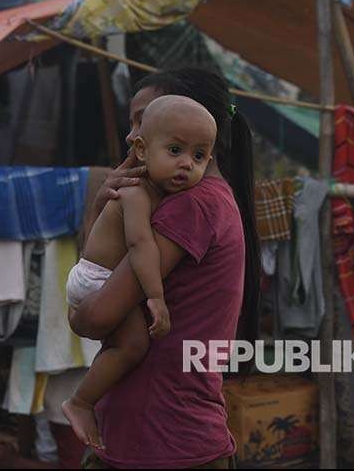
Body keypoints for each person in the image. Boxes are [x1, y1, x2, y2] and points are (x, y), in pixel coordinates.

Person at [69, 67, 261, 468]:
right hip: (153, 438)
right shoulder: (201, 200)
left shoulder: (192, 206)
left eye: (143, 118)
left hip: (161, 442)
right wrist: (103, 211)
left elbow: (96, 317)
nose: (130, 137)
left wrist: (74, 308)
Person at [62, 95, 218, 449]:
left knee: (123, 344)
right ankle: (80, 402)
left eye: (198, 156)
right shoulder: (135, 193)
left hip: (96, 274)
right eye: (175, 150)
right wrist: (156, 298)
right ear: (143, 151)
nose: (186, 165)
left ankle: (89, 399)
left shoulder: (161, 192)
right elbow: (140, 247)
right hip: (96, 279)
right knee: (133, 346)